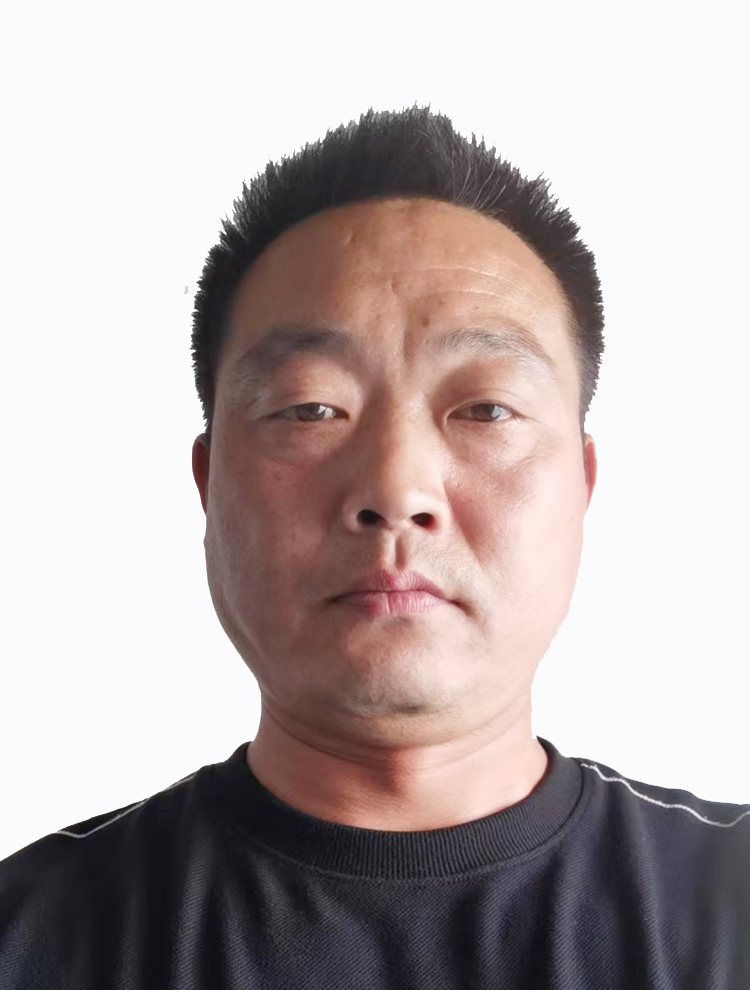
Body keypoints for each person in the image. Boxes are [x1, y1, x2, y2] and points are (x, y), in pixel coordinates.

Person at [1, 105, 747, 989]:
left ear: (583, 485)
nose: (396, 490)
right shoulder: (29, 938)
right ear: (209, 482)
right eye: (310, 408)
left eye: (486, 409)